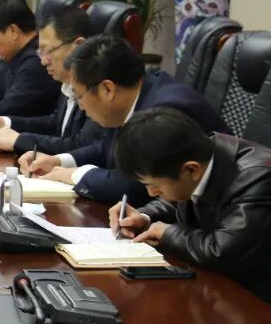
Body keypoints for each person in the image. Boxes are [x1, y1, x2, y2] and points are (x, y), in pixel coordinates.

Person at [23, 34, 229, 205]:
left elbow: (133, 186)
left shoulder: (163, 112)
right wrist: (58, 161)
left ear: (107, 89)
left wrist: (71, 175)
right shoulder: (134, 98)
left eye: (79, 96)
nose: (80, 106)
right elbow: (106, 147)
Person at [110, 108, 271, 302]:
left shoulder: (258, 178)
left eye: (153, 185)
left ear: (191, 170)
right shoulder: (202, 158)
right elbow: (185, 199)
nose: (151, 193)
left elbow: (223, 252)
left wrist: (167, 233)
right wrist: (144, 217)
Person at [0, 6, 102, 154]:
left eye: (48, 51)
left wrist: (20, 140)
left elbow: (81, 146)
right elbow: (55, 124)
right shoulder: (68, 83)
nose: (43, 61)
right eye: (41, 52)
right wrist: (4, 122)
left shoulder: (98, 88)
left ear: (77, 47)